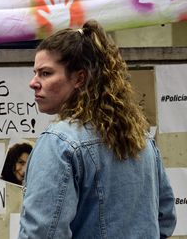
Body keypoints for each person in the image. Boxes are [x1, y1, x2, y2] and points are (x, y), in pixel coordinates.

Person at [19, 20, 176, 238]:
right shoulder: (141, 139)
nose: (33, 82)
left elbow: (43, 233)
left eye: (45, 73)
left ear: (79, 78)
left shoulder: (60, 142)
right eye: (35, 72)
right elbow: (165, 219)